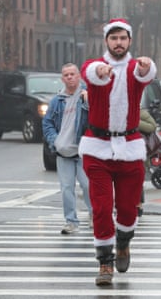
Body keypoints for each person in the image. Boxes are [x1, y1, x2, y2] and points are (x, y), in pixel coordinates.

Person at [79, 18, 157, 286]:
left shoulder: (136, 67)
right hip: (97, 149)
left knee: (127, 210)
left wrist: (148, 67)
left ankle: (123, 242)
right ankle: (104, 262)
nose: (119, 43)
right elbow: (91, 73)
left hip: (130, 149)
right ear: (106, 41)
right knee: (101, 208)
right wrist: (102, 71)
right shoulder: (93, 65)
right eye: (114, 38)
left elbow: (145, 74)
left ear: (130, 41)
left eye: (123, 38)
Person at [42, 63, 93, 235]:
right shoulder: (57, 100)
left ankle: (94, 216)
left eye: (72, 74)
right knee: (66, 188)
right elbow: (47, 122)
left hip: (82, 151)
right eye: (66, 75)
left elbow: (95, 119)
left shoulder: (86, 96)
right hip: (63, 152)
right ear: (62, 79)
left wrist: (90, 101)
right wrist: (55, 141)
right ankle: (71, 221)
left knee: (87, 185)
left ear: (79, 76)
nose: (69, 77)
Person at [137, 108, 158, 217]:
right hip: (120, 151)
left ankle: (138, 205)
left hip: (138, 150)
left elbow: (152, 126)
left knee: (137, 180)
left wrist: (134, 121)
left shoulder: (139, 112)